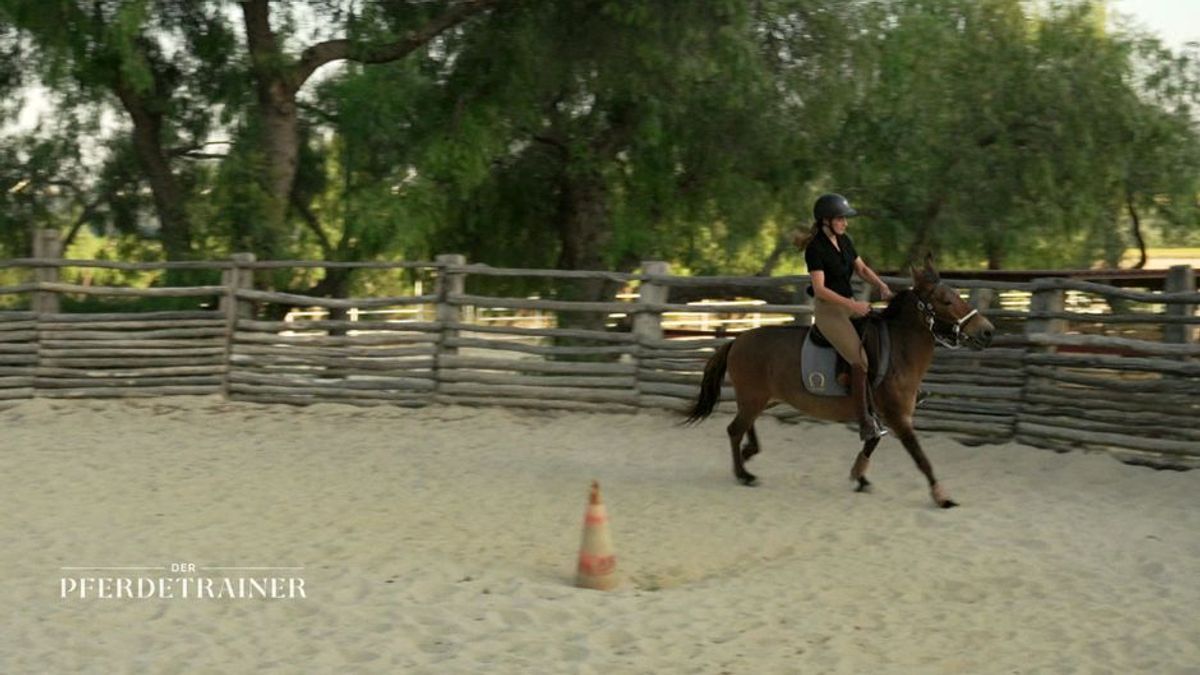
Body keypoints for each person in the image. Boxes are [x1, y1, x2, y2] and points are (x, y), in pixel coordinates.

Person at [797, 193, 892, 441]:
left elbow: (861, 268)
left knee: (883, 332)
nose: (845, 223)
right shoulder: (815, 249)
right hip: (829, 310)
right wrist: (853, 305)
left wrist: (880, 284)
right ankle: (865, 423)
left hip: (850, 305)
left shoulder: (845, 241)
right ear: (826, 221)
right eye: (840, 219)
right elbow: (819, 289)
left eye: (844, 219)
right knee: (860, 360)